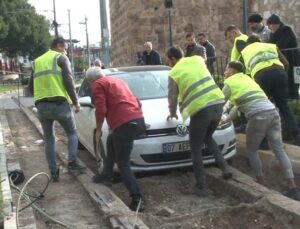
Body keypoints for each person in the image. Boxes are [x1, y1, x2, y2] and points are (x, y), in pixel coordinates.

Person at [221, 61, 300, 201]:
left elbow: (220, 103)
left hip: (258, 117)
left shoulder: (230, 82)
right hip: (272, 113)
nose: (224, 73)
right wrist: (226, 120)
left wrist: (216, 119)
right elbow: (237, 107)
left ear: (232, 71)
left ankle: (260, 182)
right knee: (279, 150)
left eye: (226, 70)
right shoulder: (248, 80)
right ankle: (292, 187)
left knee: (252, 150)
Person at [166, 46, 232, 196]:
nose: (168, 63)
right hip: (217, 103)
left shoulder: (173, 73)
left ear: (173, 59)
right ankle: (225, 167)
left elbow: (172, 96)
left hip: (201, 109)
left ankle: (200, 186)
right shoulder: (197, 59)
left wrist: (172, 113)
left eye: (167, 60)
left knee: (195, 148)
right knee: (207, 137)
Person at [86, 67, 147, 212]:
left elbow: (101, 109)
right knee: (111, 139)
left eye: (89, 82)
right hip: (137, 120)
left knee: (123, 163)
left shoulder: (98, 84)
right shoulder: (118, 81)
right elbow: (136, 101)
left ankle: (137, 199)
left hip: (125, 124)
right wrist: (138, 120)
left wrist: (99, 129)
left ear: (91, 80)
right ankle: (106, 175)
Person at [28, 37, 85, 182]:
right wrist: (76, 102)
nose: (66, 51)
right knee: (72, 133)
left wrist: (40, 97)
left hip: (42, 105)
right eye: (65, 48)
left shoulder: (37, 61)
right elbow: (69, 81)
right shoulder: (61, 58)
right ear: (59, 46)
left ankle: (53, 172)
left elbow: (30, 87)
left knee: (49, 139)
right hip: (60, 104)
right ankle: (72, 163)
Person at [241, 35, 300, 146]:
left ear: (248, 44)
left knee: (261, 108)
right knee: (284, 106)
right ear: (259, 41)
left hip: (261, 76)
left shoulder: (245, 51)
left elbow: (245, 73)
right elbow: (286, 63)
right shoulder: (271, 46)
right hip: (280, 73)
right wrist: (282, 76)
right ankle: (296, 136)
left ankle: (263, 141)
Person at [267, 14, 300, 99]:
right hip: (283, 62)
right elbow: (271, 46)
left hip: (293, 60)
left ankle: (295, 100)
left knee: (293, 82)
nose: (270, 27)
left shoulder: (286, 30)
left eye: (271, 25)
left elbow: (281, 45)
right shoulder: (272, 34)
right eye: (269, 25)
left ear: (276, 24)